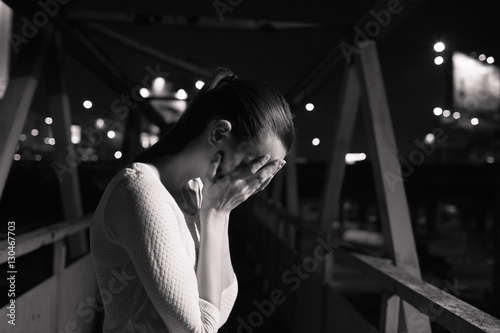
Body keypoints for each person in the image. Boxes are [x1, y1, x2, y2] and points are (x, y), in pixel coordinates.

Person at [90, 67, 295, 332]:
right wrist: (216, 214)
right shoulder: (140, 191)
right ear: (219, 134)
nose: (248, 181)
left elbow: (224, 301)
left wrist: (218, 213)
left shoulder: (195, 197)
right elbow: (200, 330)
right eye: (249, 165)